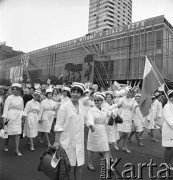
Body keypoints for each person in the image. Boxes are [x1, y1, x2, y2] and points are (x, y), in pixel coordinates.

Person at [53, 82, 93, 180]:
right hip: (67, 140)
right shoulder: (64, 106)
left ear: (81, 95)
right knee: (66, 165)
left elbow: (86, 117)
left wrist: (90, 125)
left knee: (79, 164)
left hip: (79, 140)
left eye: (78, 92)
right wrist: (57, 141)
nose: (75, 94)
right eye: (73, 92)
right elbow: (58, 125)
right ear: (70, 92)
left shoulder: (81, 105)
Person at [87, 92, 115, 173]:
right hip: (94, 130)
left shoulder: (105, 109)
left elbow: (111, 113)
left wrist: (115, 114)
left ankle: (109, 168)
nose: (96, 102)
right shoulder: (91, 110)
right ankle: (89, 164)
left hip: (102, 130)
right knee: (91, 149)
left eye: (98, 101)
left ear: (102, 101)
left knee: (105, 148)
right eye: (95, 100)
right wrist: (91, 125)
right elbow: (90, 118)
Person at [2, 83, 24, 156]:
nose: (15, 91)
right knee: (9, 133)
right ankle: (6, 144)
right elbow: (6, 108)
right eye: (13, 89)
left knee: (17, 133)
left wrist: (22, 117)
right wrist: (5, 118)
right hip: (10, 115)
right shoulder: (9, 97)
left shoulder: (21, 98)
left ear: (19, 91)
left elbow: (22, 109)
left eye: (16, 89)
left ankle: (17, 149)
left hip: (18, 117)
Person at [116, 89, 134, 153]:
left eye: (129, 92)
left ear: (131, 94)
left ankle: (125, 147)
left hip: (129, 116)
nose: (128, 93)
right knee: (124, 132)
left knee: (127, 132)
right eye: (127, 92)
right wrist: (119, 105)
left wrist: (132, 119)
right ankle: (117, 142)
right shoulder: (121, 99)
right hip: (122, 116)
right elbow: (117, 106)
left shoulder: (132, 100)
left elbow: (132, 109)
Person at [162, 90, 173, 170]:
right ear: (168, 98)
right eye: (171, 97)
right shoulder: (167, 106)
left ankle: (170, 161)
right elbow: (169, 118)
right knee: (169, 147)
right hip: (169, 129)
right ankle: (167, 163)